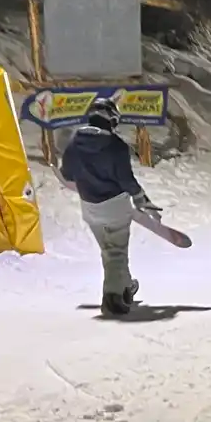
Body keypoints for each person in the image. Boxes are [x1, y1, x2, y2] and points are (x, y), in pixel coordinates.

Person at [58, 95, 161, 316]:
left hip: (89, 208)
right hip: (114, 207)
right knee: (116, 253)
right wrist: (143, 199)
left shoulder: (74, 143)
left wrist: (87, 177)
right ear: (111, 119)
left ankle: (125, 286)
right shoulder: (115, 146)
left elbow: (67, 174)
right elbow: (126, 180)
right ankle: (113, 299)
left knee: (110, 251)